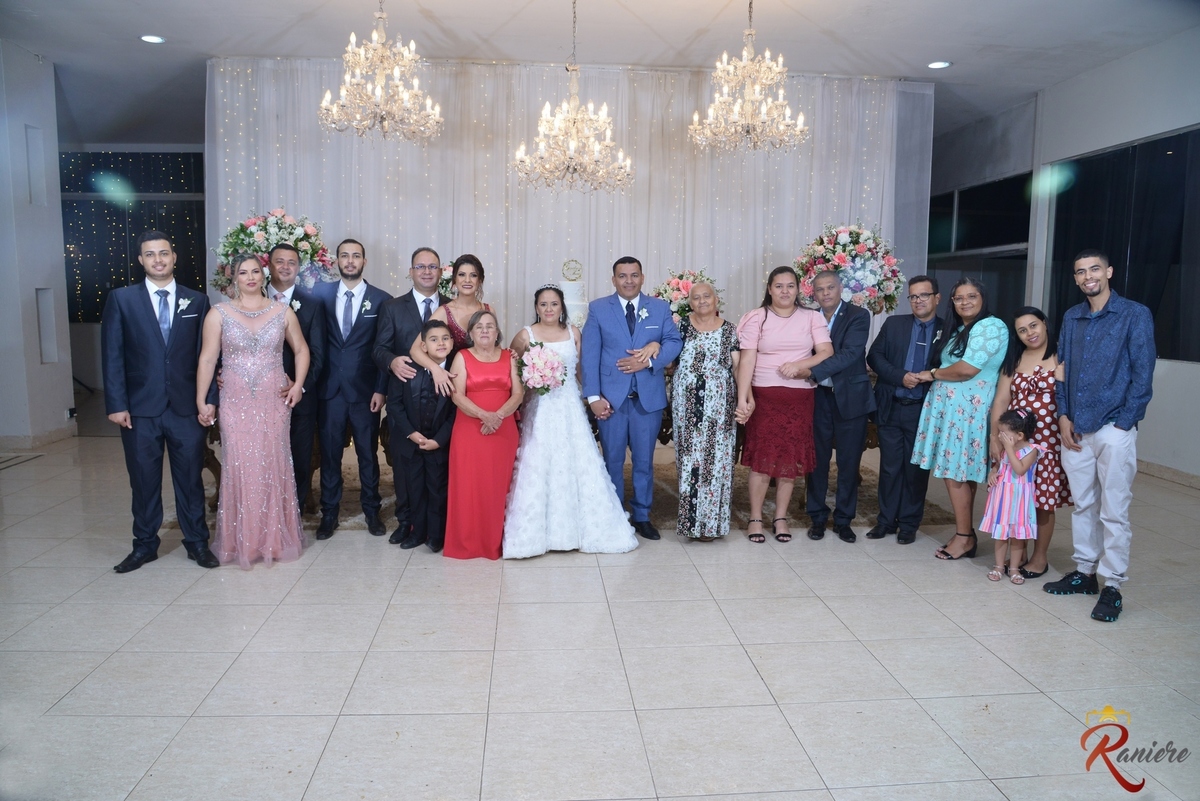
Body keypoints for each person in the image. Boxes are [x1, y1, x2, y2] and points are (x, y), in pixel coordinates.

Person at [1045, 249, 1155, 623]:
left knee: (1114, 510)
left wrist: (1124, 423)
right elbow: (1061, 370)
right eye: (1081, 272)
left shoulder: (1134, 314)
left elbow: (1142, 374)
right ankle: (1085, 572)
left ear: (1108, 272)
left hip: (1113, 427)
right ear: (1076, 279)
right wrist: (1062, 416)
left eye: (1094, 269)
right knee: (1084, 505)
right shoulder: (1072, 317)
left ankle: (1113, 586)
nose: (1088, 276)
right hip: (1075, 427)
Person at [101, 230, 219, 572]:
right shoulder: (121, 299)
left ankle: (197, 543)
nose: (158, 260)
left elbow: (208, 356)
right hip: (139, 409)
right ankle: (144, 545)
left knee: (191, 480)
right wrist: (116, 404)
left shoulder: (197, 301)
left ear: (174, 257)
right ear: (141, 260)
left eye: (164, 253)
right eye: (150, 254)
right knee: (143, 481)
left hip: (185, 408)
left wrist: (209, 400)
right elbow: (112, 355)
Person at [504, 285, 638, 557]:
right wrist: (533, 379)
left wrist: (594, 397)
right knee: (539, 462)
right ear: (536, 307)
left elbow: (581, 370)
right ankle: (535, 535)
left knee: (577, 461)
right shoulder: (525, 335)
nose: (549, 309)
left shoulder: (573, 332)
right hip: (540, 409)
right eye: (543, 304)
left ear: (562, 307)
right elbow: (512, 367)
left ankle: (584, 530)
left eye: (554, 304)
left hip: (569, 408)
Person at [196, 253, 309, 568]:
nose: (250, 277)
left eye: (255, 271)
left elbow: (301, 349)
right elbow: (207, 358)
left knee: (273, 463)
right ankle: (241, 542)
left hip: (274, 400)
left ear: (264, 274)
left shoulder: (282, 311)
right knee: (240, 466)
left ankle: (275, 540)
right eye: (243, 272)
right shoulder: (218, 313)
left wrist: (298, 384)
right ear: (234, 277)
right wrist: (202, 398)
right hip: (235, 401)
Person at [581, 257, 684, 541]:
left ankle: (641, 515)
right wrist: (593, 397)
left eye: (634, 275)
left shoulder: (659, 307)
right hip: (611, 400)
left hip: (647, 400)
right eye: (622, 276)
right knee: (612, 461)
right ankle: (614, 515)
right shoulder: (598, 308)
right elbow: (589, 355)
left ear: (642, 277)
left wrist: (649, 360)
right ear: (613, 279)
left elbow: (674, 342)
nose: (629, 281)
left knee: (643, 462)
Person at [911, 277, 1010, 561]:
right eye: (959, 298)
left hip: (968, 413)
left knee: (955, 473)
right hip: (951, 411)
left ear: (983, 298)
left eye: (971, 296)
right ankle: (964, 533)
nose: (965, 302)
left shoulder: (991, 326)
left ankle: (965, 536)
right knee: (960, 472)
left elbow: (967, 369)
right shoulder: (960, 330)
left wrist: (932, 374)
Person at [735, 266, 833, 543]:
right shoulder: (757, 317)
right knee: (762, 460)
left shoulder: (812, 317)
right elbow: (747, 360)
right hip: (764, 398)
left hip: (799, 399)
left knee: (790, 459)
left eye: (790, 286)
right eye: (779, 286)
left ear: (798, 289)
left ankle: (780, 517)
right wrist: (743, 398)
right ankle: (756, 518)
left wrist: (800, 365)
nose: (785, 291)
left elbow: (826, 351)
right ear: (769, 289)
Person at [312, 238, 393, 539]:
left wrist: (381, 389)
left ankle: (372, 510)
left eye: (356, 256)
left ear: (364, 261)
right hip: (329, 390)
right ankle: (329, 513)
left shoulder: (382, 299)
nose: (350, 261)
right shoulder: (319, 294)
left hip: (365, 392)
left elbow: (384, 348)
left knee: (367, 454)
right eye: (344, 256)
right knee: (330, 455)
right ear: (336, 261)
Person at [373, 246, 451, 543]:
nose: (427, 272)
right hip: (404, 397)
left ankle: (437, 526)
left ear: (441, 271)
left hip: (443, 399)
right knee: (406, 465)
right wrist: (392, 361)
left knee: (438, 468)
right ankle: (406, 522)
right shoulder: (393, 307)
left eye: (432, 266)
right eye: (421, 267)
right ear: (411, 272)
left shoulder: (451, 306)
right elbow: (379, 348)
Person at [989, 306, 1071, 579]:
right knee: (1016, 495)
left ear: (1044, 323)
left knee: (1042, 499)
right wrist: (995, 438)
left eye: (1033, 325)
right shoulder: (1014, 359)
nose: (1029, 333)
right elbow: (1001, 400)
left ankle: (1039, 557)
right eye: (1022, 330)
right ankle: (1018, 551)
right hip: (1015, 441)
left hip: (1048, 441)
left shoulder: (1062, 354)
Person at [866, 276, 945, 544]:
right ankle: (886, 521)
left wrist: (929, 374)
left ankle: (909, 524)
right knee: (889, 468)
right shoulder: (894, 324)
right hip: (891, 405)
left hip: (923, 410)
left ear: (937, 298)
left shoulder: (948, 330)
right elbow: (874, 356)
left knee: (916, 470)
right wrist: (900, 376)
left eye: (924, 295)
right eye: (913, 296)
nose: (918, 300)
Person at [804, 270, 877, 543]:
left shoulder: (858, 315)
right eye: (820, 289)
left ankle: (844, 520)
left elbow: (850, 354)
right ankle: (817, 517)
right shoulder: (809, 317)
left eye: (830, 287)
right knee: (817, 461)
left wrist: (811, 371)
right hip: (818, 398)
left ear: (840, 288)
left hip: (851, 398)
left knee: (849, 463)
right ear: (814, 293)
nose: (825, 293)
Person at [444, 310, 523, 559]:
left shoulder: (509, 357)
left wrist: (498, 416)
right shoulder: (462, 357)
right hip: (470, 430)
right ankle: (467, 543)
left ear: (497, 332)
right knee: (469, 486)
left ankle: (496, 542)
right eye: (479, 327)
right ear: (471, 333)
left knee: (499, 486)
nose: (485, 330)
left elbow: (518, 394)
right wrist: (483, 415)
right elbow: (456, 395)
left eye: (490, 326)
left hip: (503, 430)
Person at [672, 282, 745, 541]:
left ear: (716, 300)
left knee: (717, 462)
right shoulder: (680, 327)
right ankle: (692, 524)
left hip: (720, 405)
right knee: (689, 461)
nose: (702, 301)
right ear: (689, 303)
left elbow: (738, 368)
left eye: (707, 296)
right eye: (696, 297)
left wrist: (745, 399)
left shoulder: (730, 330)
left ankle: (712, 525)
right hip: (686, 405)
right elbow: (669, 361)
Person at [386, 320, 457, 552]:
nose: (441, 343)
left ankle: (436, 536)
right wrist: (410, 433)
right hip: (411, 442)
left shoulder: (456, 370)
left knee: (437, 489)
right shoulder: (407, 369)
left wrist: (439, 440)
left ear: (452, 342)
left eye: (445, 338)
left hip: (439, 443)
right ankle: (417, 532)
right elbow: (394, 404)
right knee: (414, 489)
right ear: (423, 346)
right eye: (434, 339)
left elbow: (456, 412)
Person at [264, 243, 325, 512]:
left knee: (299, 459)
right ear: (269, 265)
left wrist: (300, 387)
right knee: (265, 458)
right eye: (280, 261)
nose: (286, 267)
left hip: (300, 398)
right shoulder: (251, 298)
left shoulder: (312, 304)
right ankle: (265, 511)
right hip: (260, 397)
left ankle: (294, 515)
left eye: (292, 262)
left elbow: (318, 354)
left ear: (299, 268)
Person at [410, 253, 490, 395]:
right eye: (461, 275)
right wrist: (436, 370)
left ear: (480, 280)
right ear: (454, 280)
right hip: (453, 385)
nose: (467, 280)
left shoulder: (488, 310)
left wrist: (509, 353)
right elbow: (415, 350)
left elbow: (494, 347)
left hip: (484, 381)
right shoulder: (444, 311)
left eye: (473, 275)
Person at [980, 409, 1042, 584]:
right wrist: (993, 472)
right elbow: (999, 465)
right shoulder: (1005, 449)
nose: (1000, 436)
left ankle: (1014, 567)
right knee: (1001, 534)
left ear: (1019, 435)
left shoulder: (1031, 451)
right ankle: (998, 566)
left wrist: (1008, 449)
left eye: (1003, 433)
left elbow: (1019, 469)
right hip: (1003, 498)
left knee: (1017, 535)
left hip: (1020, 500)